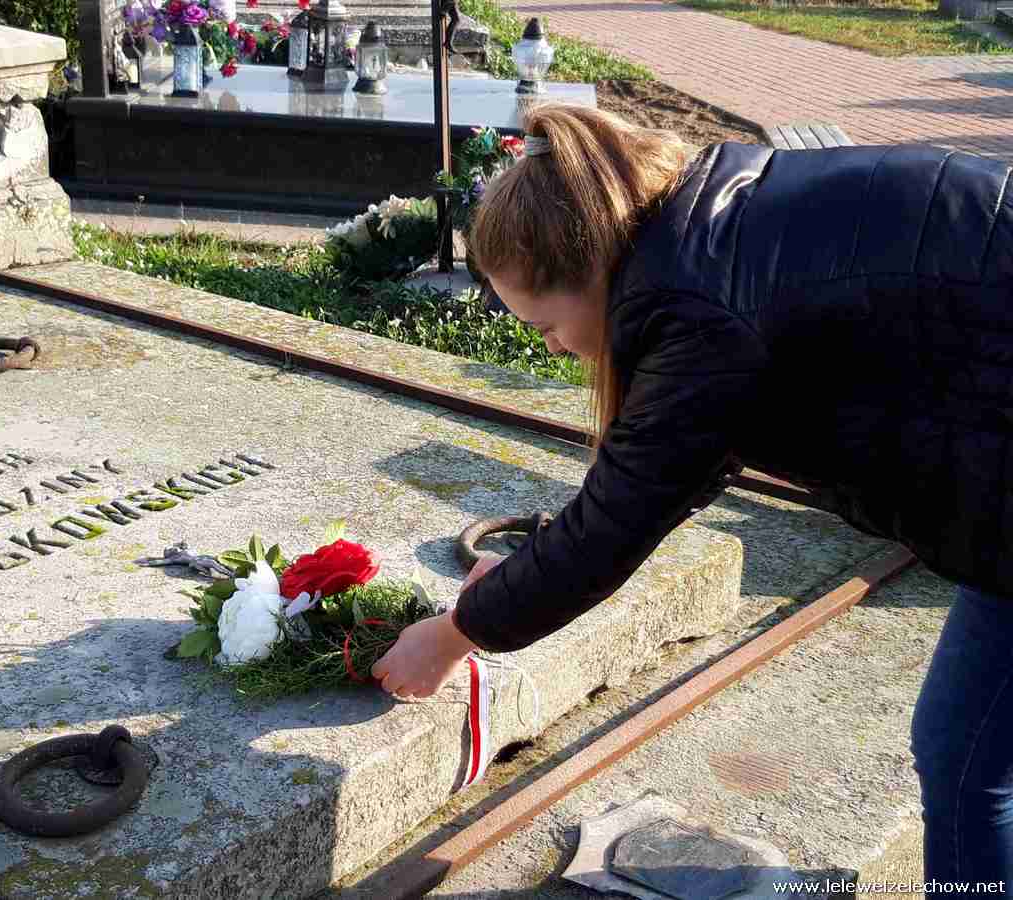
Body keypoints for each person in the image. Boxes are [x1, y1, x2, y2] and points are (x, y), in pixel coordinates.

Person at [371, 103, 1013, 888]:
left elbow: (611, 529)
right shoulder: (703, 219)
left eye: (544, 327)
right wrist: (512, 584)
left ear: (589, 268)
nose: (554, 347)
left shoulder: (692, 310)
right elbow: (671, 465)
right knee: (963, 747)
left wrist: (453, 635)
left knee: (965, 760)